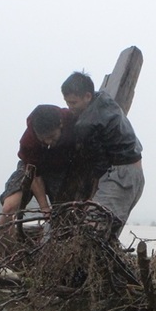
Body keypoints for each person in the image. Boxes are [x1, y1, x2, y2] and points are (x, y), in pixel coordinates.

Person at [60, 71, 144, 238]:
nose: (70, 108)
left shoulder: (86, 125)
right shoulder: (104, 98)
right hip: (135, 174)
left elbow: (98, 167)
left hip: (120, 177)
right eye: (67, 103)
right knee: (108, 232)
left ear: (87, 96)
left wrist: (91, 197)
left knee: (92, 230)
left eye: (73, 103)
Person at [0, 104, 77, 225]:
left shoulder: (71, 118)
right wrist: (45, 208)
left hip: (62, 168)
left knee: (66, 215)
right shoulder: (28, 142)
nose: (48, 142)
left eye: (52, 137)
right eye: (43, 139)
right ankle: (4, 241)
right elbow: (34, 175)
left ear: (60, 124)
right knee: (8, 208)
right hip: (32, 169)